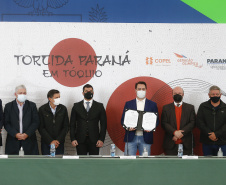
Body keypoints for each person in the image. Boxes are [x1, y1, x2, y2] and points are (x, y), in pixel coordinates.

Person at [121, 81, 159, 156]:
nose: (141, 91)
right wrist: (127, 127)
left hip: (146, 137)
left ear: (146, 90)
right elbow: (123, 120)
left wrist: (151, 128)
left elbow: (157, 121)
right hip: (131, 137)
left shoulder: (153, 104)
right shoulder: (128, 104)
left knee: (145, 163)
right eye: (139, 89)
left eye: (143, 89)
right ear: (135, 90)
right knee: (128, 162)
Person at [70, 84, 107, 155]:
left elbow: (103, 124)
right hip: (79, 140)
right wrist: (73, 138)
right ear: (83, 93)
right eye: (86, 91)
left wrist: (101, 139)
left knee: (94, 163)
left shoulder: (100, 106)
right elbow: (72, 124)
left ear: (93, 93)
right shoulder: (76, 106)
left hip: (95, 140)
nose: (88, 92)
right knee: (81, 163)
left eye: (90, 91)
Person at [4, 85, 39, 155]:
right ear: (15, 94)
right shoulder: (8, 106)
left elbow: (36, 122)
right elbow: (6, 123)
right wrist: (15, 134)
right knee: (12, 164)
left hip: (29, 140)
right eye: (20, 93)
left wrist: (27, 134)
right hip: (13, 141)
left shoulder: (32, 105)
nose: (22, 95)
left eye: (24, 93)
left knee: (30, 163)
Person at [161, 86, 195, 155]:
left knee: (186, 165)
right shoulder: (166, 108)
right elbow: (164, 123)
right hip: (171, 143)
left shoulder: (190, 107)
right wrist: (174, 132)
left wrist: (181, 133)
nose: (177, 95)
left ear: (183, 94)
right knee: (171, 165)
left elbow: (192, 123)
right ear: (172, 95)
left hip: (186, 143)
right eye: (175, 93)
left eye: (179, 93)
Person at [197, 85, 226, 156]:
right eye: (213, 94)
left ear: (220, 95)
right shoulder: (203, 106)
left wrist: (216, 134)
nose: (215, 96)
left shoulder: (225, 107)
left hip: (222, 142)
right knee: (207, 164)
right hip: (207, 141)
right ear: (209, 95)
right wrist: (209, 133)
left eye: (217, 94)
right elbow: (199, 122)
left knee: (222, 165)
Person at [38, 89, 69, 155]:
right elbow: (41, 127)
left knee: (58, 164)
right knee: (47, 163)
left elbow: (66, 126)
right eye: (56, 97)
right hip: (46, 143)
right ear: (50, 98)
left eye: (59, 97)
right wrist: (51, 141)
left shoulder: (63, 109)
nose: (58, 99)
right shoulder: (42, 109)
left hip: (59, 143)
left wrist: (58, 140)